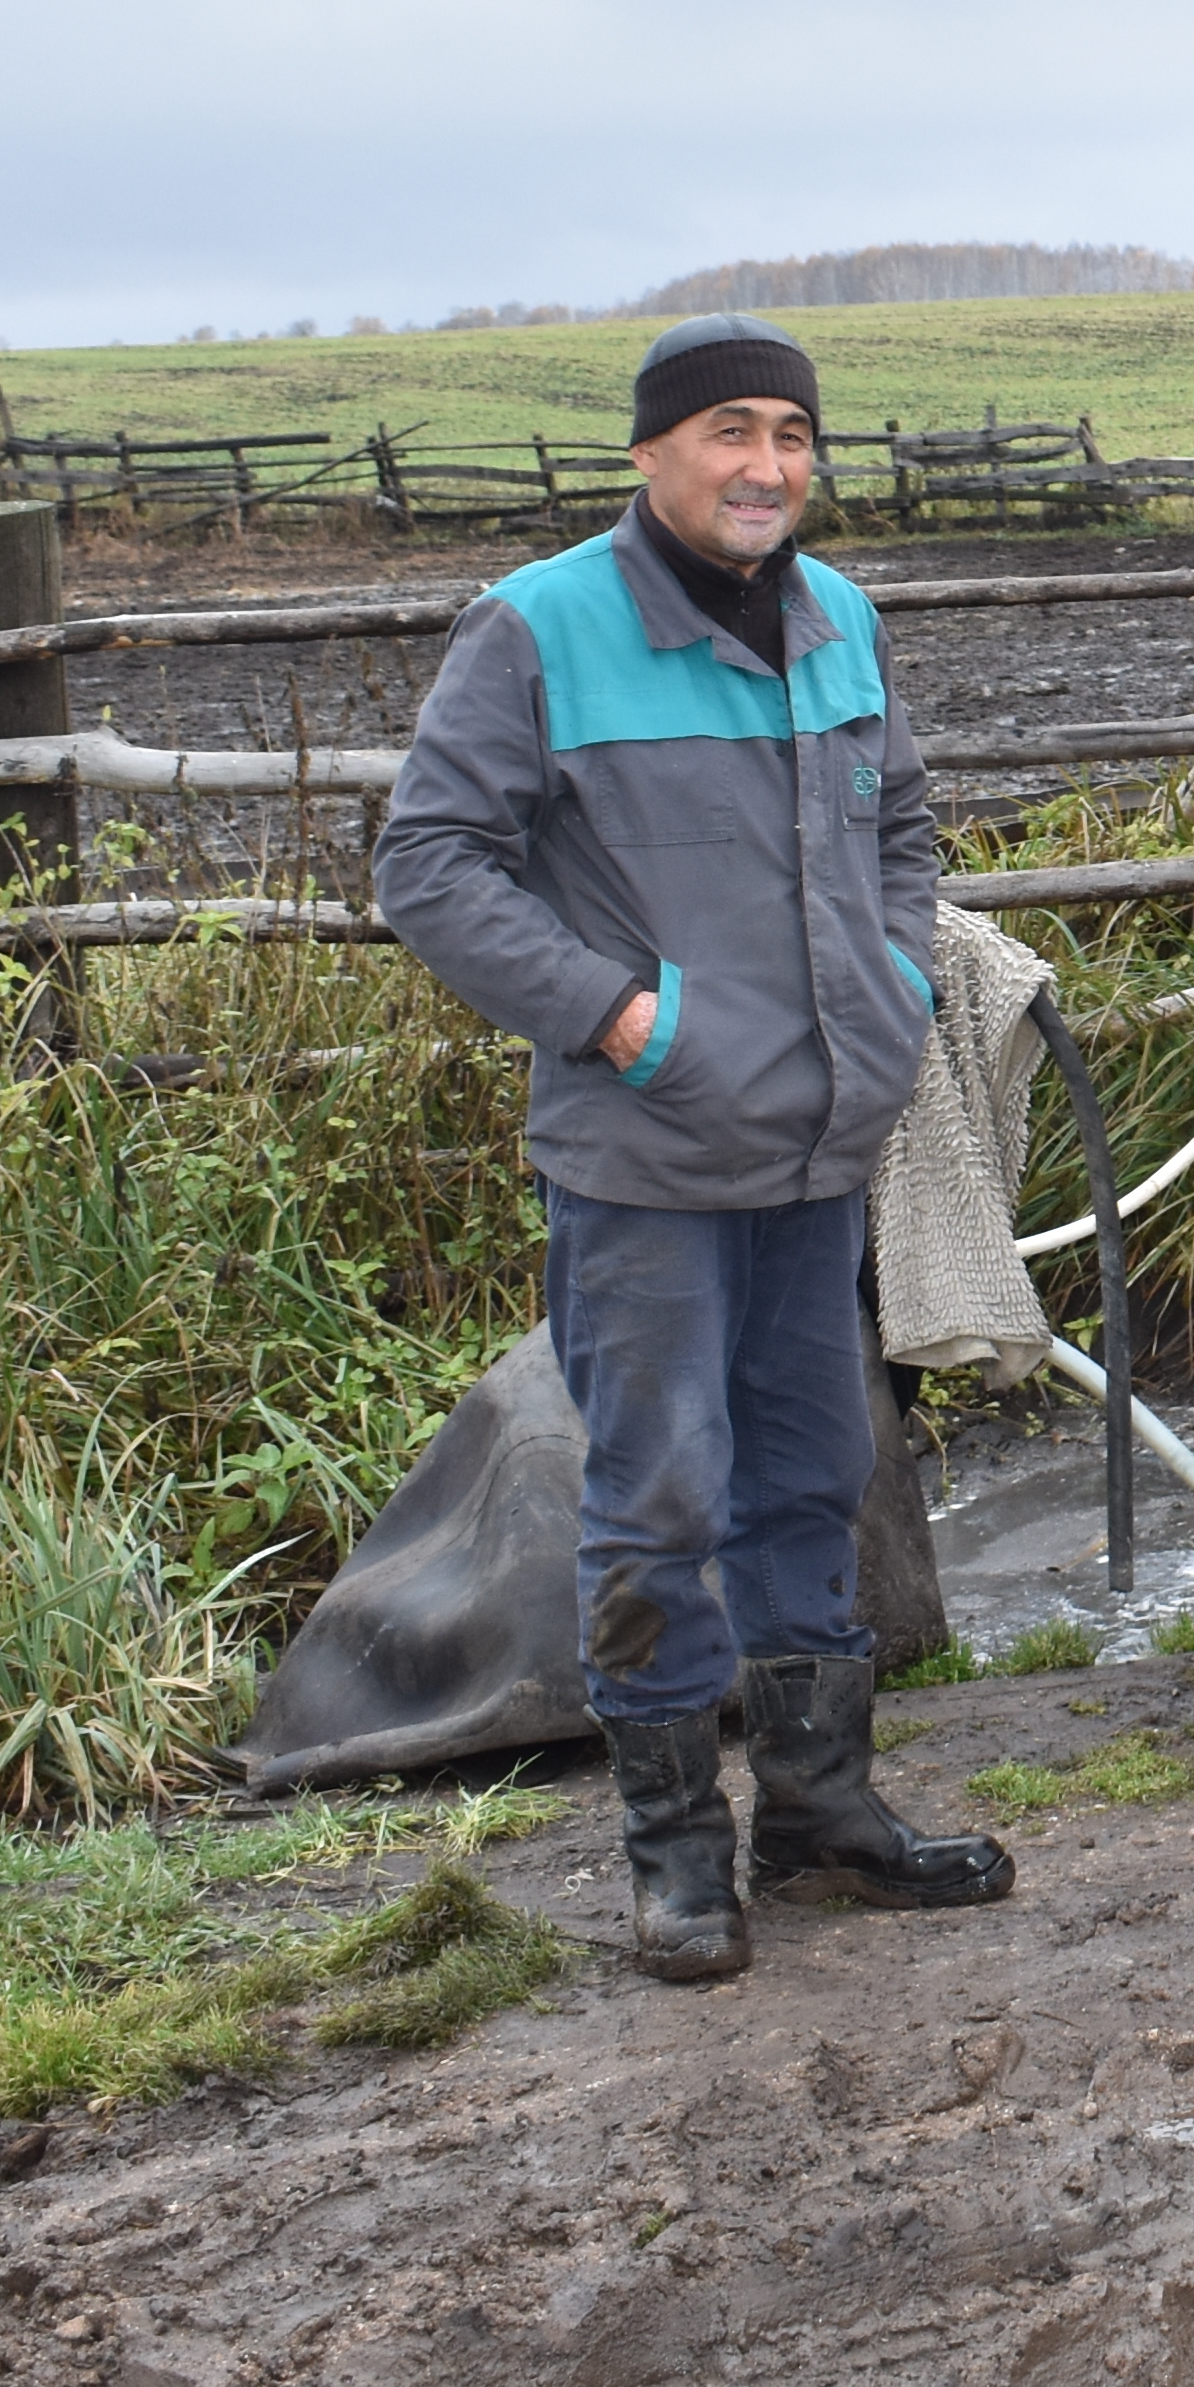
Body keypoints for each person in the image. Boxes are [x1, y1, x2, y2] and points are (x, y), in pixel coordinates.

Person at [375, 311, 1018, 1983]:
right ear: (651, 454)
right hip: (647, 1158)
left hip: (821, 1148)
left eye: (793, 437)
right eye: (732, 432)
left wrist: (887, 982)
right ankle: (676, 1855)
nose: (767, 466)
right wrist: (615, 1017)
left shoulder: (840, 618)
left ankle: (820, 1813)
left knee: (815, 1479)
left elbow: (904, 821)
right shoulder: (538, 631)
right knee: (658, 1500)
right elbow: (432, 865)